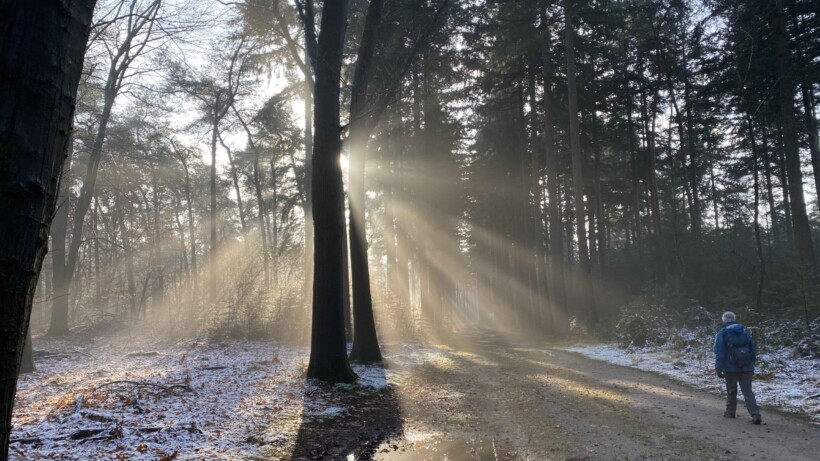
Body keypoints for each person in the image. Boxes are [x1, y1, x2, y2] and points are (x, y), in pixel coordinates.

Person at [714, 311, 762, 424]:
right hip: (747, 367)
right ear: (735, 319)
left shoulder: (722, 333)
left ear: (723, 320)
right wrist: (751, 362)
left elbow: (719, 352)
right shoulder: (745, 332)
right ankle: (755, 414)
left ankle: (730, 413)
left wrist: (718, 367)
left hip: (730, 368)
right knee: (748, 391)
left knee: (731, 390)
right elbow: (752, 349)